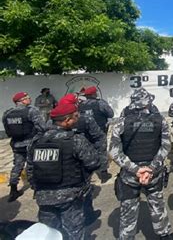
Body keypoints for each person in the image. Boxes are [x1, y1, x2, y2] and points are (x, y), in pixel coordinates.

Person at [109, 88, 173, 240]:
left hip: (130, 176)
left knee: (128, 210)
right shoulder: (160, 121)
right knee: (157, 204)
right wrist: (151, 168)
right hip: (154, 174)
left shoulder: (121, 123)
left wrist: (136, 169)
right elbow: (166, 147)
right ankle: (164, 235)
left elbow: (114, 151)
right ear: (148, 103)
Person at [27, 103, 100, 239]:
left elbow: (30, 170)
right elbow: (93, 162)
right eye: (75, 116)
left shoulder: (36, 141)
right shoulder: (75, 139)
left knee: (48, 234)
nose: (78, 119)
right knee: (74, 233)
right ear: (67, 120)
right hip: (70, 196)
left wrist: (38, 189)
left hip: (43, 196)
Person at [57, 93, 104, 224]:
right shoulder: (85, 119)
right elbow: (99, 138)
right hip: (80, 164)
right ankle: (88, 215)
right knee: (84, 191)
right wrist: (98, 158)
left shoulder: (48, 125)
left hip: (53, 175)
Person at [2, 92, 46, 202]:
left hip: (16, 144)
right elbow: (42, 126)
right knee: (35, 166)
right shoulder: (31, 111)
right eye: (27, 98)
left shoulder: (7, 113)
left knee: (17, 166)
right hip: (31, 143)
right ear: (22, 101)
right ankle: (36, 190)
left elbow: (8, 131)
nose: (29, 99)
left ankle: (13, 190)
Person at [78, 86, 114, 182]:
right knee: (101, 151)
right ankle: (103, 174)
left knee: (87, 151)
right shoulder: (100, 103)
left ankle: (88, 173)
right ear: (94, 94)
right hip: (99, 131)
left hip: (85, 132)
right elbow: (110, 113)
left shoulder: (81, 105)